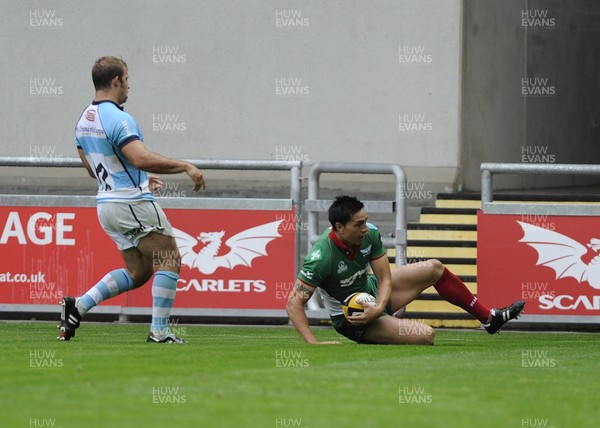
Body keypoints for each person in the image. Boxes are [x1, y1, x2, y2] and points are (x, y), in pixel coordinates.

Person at [58, 56, 205, 343]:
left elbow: (92, 169)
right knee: (170, 260)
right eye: (127, 79)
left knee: (139, 271)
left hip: (106, 205)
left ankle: (79, 305)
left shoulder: (82, 120)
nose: (129, 86)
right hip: (130, 203)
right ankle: (159, 332)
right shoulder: (119, 117)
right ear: (116, 81)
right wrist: (185, 165)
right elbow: (138, 157)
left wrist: (137, 176)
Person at [286, 195, 525, 344]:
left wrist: (379, 306)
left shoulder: (369, 234)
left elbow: (385, 278)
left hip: (372, 291)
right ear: (339, 227)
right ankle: (378, 330)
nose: (364, 229)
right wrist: (313, 343)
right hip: (352, 318)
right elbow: (293, 303)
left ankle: (489, 318)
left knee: (434, 268)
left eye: (365, 221)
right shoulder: (321, 257)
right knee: (426, 335)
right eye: (358, 225)